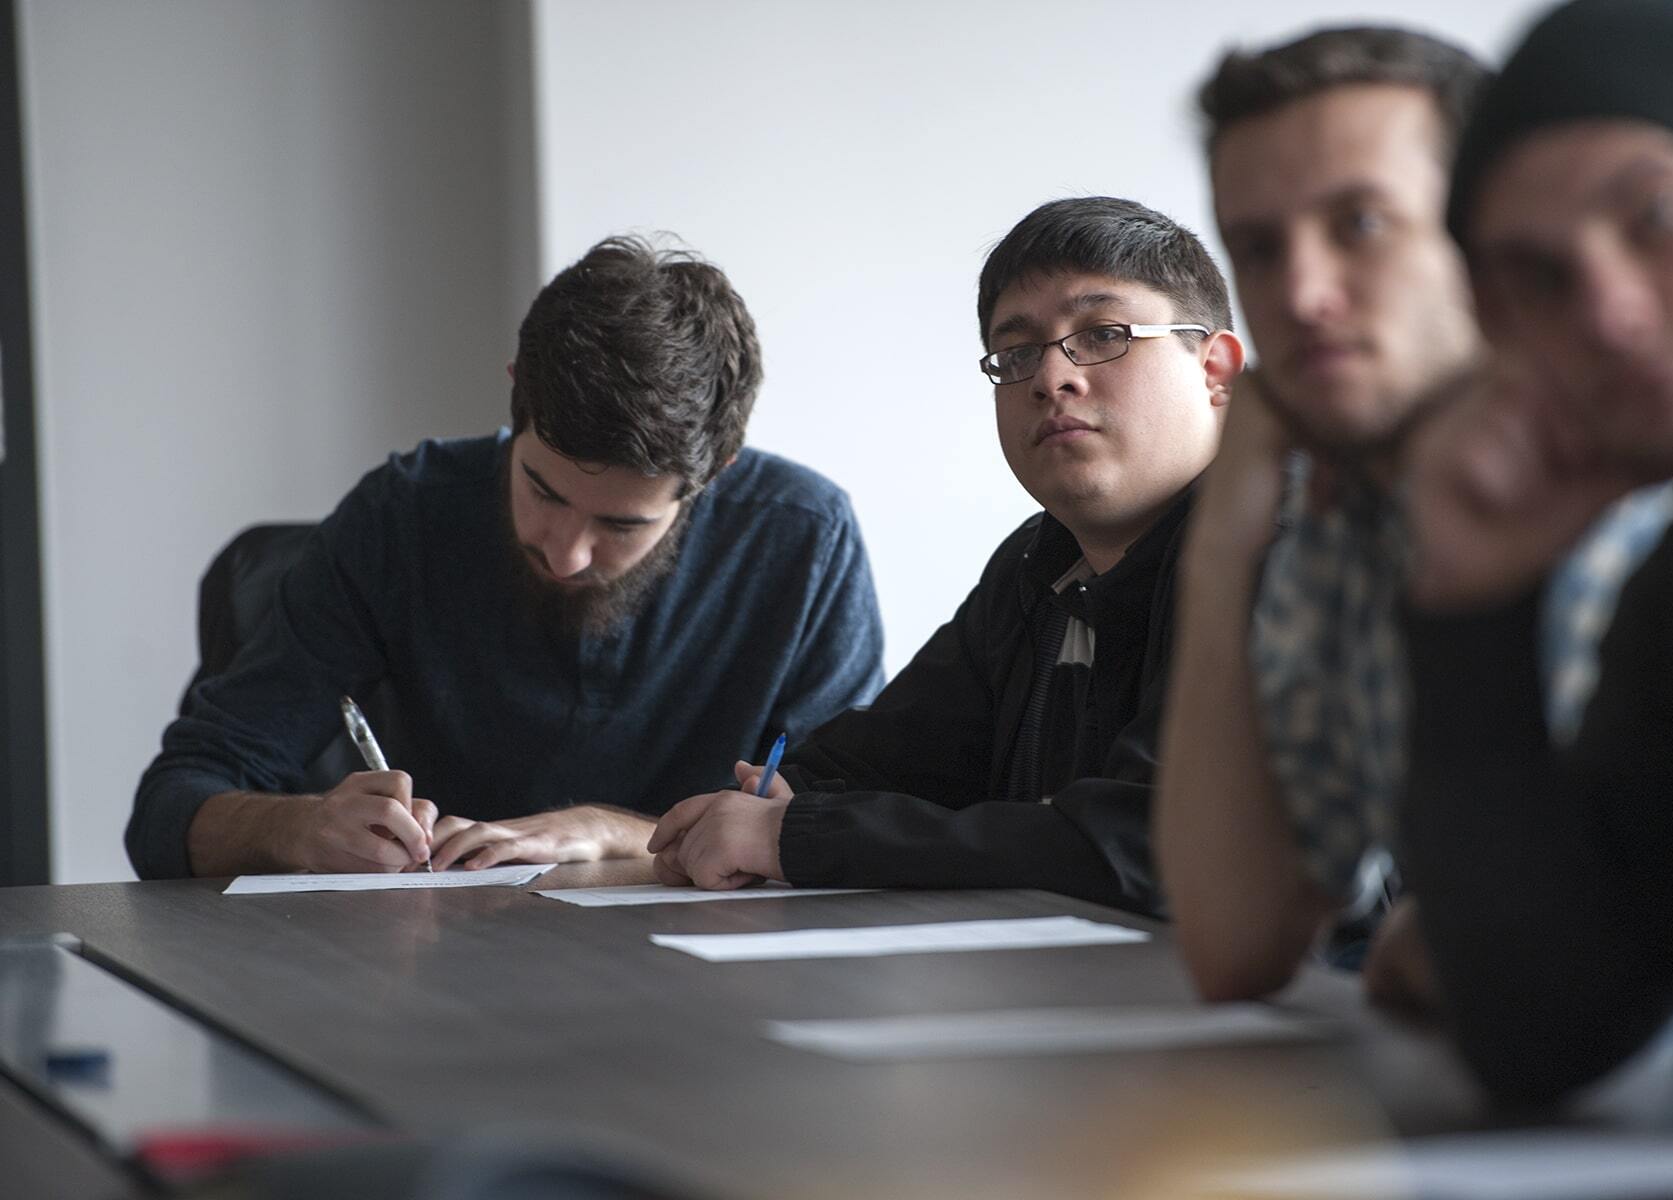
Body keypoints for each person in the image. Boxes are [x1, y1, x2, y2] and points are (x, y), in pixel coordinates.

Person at [129, 236, 884, 879]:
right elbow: (171, 804)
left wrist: (614, 834)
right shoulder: (404, 515)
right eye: (543, 491)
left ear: (714, 475)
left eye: (621, 523)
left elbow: (843, 825)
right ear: (516, 396)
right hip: (436, 976)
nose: (565, 553)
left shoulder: (804, 540)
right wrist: (287, 828)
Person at [1399, 0, 1673, 1121]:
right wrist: (1472, 604)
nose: (1609, 313)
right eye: (1540, 276)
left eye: (1661, 218)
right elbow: (1548, 1029)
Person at [646, 197, 1242, 914]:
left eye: (1104, 333)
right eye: (1018, 353)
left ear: (1216, 371)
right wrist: (785, 795)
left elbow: (1165, 844)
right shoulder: (1037, 567)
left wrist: (797, 835)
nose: (1052, 378)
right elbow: (884, 760)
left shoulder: (1285, 550)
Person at [1154, 27, 1489, 1002]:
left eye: (1362, 226)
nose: (1300, 295)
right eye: (1257, 249)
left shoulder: (1646, 489)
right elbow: (1236, 942)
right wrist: (1221, 552)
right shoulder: (1342, 519)